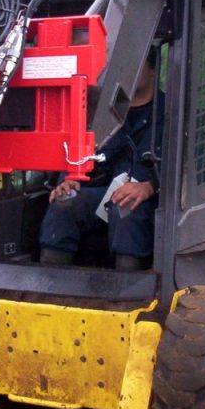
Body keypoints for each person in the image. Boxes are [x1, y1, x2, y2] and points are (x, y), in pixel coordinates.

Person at [38, 52, 161, 270]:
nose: (128, 71)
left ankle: (127, 289)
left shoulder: (171, 114)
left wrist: (149, 186)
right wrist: (68, 179)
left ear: (153, 70)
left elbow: (188, 170)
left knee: (126, 207)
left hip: (150, 201)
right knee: (64, 202)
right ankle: (48, 284)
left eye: (137, 65)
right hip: (101, 193)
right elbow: (77, 149)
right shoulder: (101, 114)